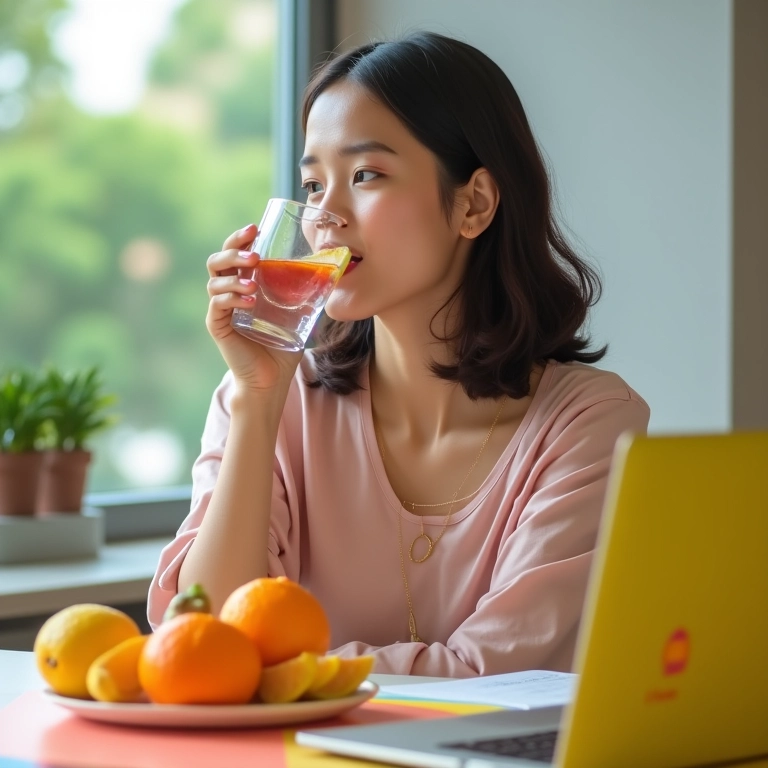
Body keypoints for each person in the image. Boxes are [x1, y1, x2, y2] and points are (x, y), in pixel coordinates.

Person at [147, 31, 649, 677]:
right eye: (311, 182)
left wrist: (281, 669)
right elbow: (200, 647)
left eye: (365, 175)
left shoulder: (589, 424)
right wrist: (258, 402)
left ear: (474, 203)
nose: (324, 214)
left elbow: (495, 678)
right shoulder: (269, 396)